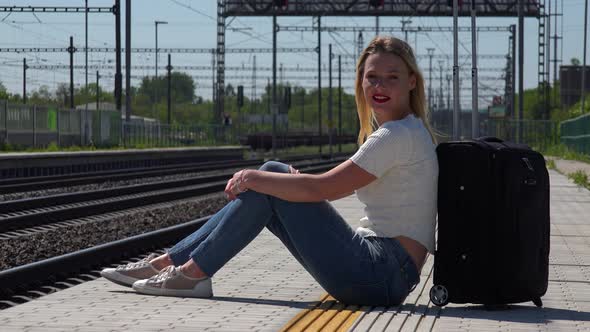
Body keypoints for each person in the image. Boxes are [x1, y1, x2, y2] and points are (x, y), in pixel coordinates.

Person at [101, 35, 438, 306]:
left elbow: (324, 188)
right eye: (372, 78)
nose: (380, 86)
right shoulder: (405, 131)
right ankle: (173, 266)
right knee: (273, 173)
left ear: (411, 81)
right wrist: (274, 178)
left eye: (392, 77)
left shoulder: (396, 135)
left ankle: (187, 272)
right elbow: (317, 187)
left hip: (382, 273)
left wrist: (256, 177)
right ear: (361, 83)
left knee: (266, 180)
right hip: (384, 271)